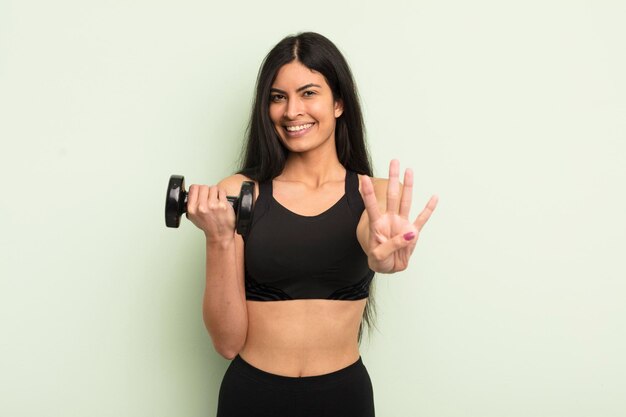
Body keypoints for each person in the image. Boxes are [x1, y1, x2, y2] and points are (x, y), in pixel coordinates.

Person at [186, 32, 438, 417]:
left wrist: (381, 251)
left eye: (308, 93)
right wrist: (220, 238)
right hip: (251, 395)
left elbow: (373, 236)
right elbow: (226, 343)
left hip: (342, 398)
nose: (291, 112)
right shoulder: (239, 193)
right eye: (278, 97)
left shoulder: (376, 196)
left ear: (338, 103)